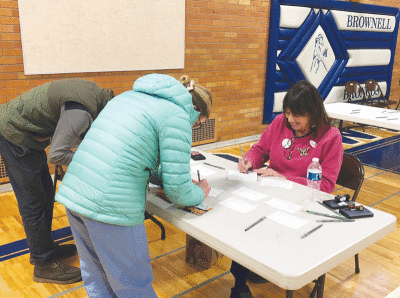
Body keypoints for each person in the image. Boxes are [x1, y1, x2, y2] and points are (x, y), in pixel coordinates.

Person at [55, 73, 212, 297]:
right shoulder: (177, 114)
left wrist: (165, 176)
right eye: (198, 123)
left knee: (96, 278)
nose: (194, 126)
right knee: (133, 285)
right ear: (195, 108)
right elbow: (178, 191)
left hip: (75, 194)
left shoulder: (129, 96)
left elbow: (136, 155)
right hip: (111, 205)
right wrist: (199, 192)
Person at [230, 80, 343, 298]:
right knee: (242, 219)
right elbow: (260, 149)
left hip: (303, 205)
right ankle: (240, 282)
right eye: (288, 113)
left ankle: (264, 271)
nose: (291, 120)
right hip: (270, 194)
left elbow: (326, 186)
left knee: (258, 222)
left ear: (313, 113)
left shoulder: (330, 137)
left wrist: (283, 178)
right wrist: (250, 162)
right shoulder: (280, 122)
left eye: (297, 115)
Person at [0, 79, 114, 284]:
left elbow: (76, 134)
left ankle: (46, 248)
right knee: (33, 201)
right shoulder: (81, 112)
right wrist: (90, 162)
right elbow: (57, 155)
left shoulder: (95, 94)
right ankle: (43, 264)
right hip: (13, 133)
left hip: (26, 132)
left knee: (45, 194)